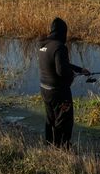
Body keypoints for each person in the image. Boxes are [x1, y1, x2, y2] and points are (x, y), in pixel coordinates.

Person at [38, 17, 90, 148]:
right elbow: (62, 71)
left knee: (50, 118)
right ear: (62, 32)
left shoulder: (44, 45)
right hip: (58, 92)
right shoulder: (59, 47)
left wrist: (80, 69)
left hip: (45, 89)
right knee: (64, 119)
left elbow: (60, 64)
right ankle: (63, 147)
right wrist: (72, 76)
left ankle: (50, 144)